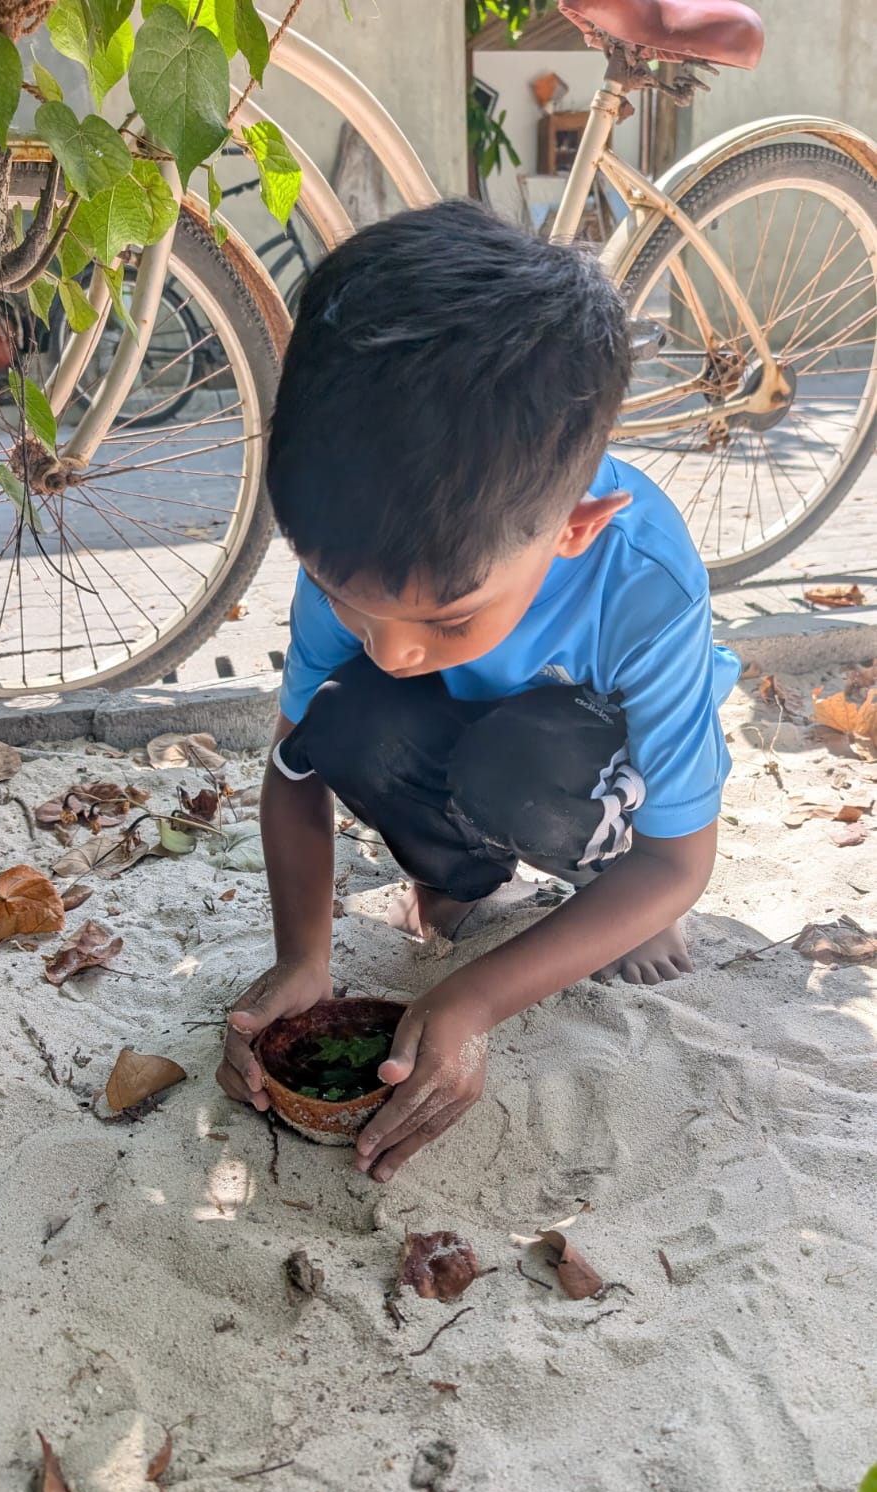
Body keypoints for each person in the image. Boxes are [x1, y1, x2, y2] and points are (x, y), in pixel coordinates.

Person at [217, 200, 739, 1182]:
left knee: (548, 790)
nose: (397, 648)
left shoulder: (645, 581)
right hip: (462, 748)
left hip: (586, 767)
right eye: (350, 605)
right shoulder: (364, 546)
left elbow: (681, 862)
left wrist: (472, 1000)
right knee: (353, 719)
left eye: (447, 619)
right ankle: (460, 873)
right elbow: (294, 765)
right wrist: (303, 960)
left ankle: (595, 880)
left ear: (575, 527)